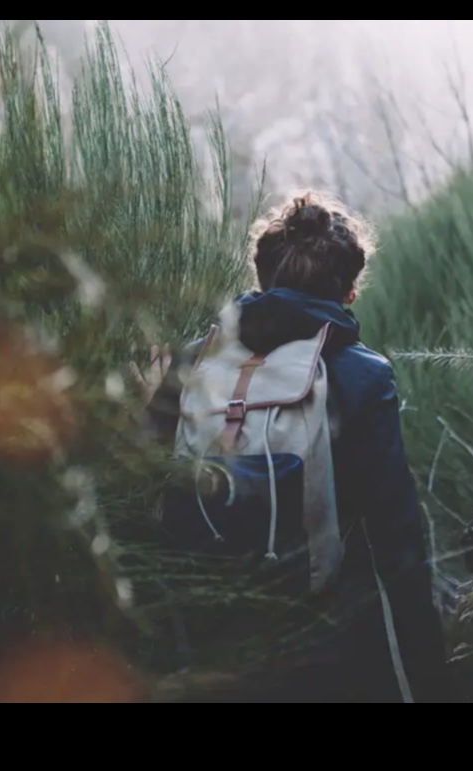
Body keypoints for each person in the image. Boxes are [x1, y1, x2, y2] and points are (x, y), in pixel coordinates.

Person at [132, 191, 452, 703]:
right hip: (326, 642)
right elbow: (399, 542)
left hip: (205, 638)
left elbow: (140, 493)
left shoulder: (193, 362)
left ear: (261, 279)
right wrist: (432, 679)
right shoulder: (363, 375)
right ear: (349, 292)